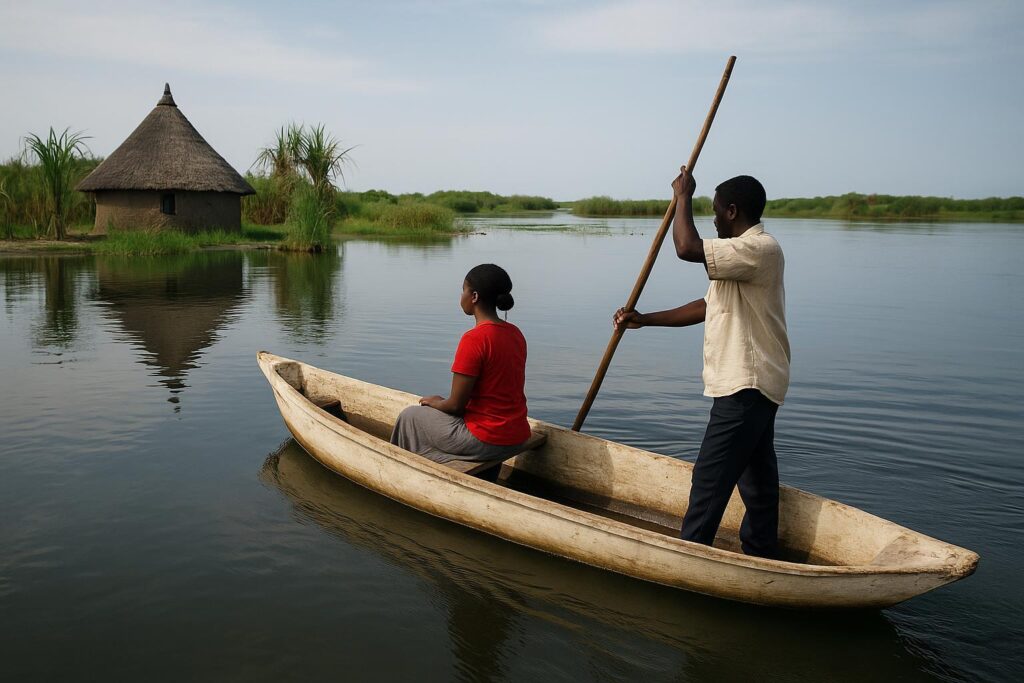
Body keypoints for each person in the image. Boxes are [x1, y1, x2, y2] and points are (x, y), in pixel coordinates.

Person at [614, 167, 790, 559]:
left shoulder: (759, 249)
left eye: (714, 211)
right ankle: (761, 551)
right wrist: (644, 318)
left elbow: (686, 248)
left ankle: (690, 555)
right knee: (757, 478)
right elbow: (706, 306)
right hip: (756, 382)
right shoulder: (737, 256)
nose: (712, 219)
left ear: (731, 211)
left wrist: (682, 197)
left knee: (711, 477)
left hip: (745, 383)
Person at [390, 263, 531, 465]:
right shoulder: (516, 333)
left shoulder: (474, 339)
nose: (461, 296)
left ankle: (403, 470)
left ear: (474, 297)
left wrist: (437, 402)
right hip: (517, 435)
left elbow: (456, 406)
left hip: (486, 439)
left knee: (410, 416)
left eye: (463, 290)